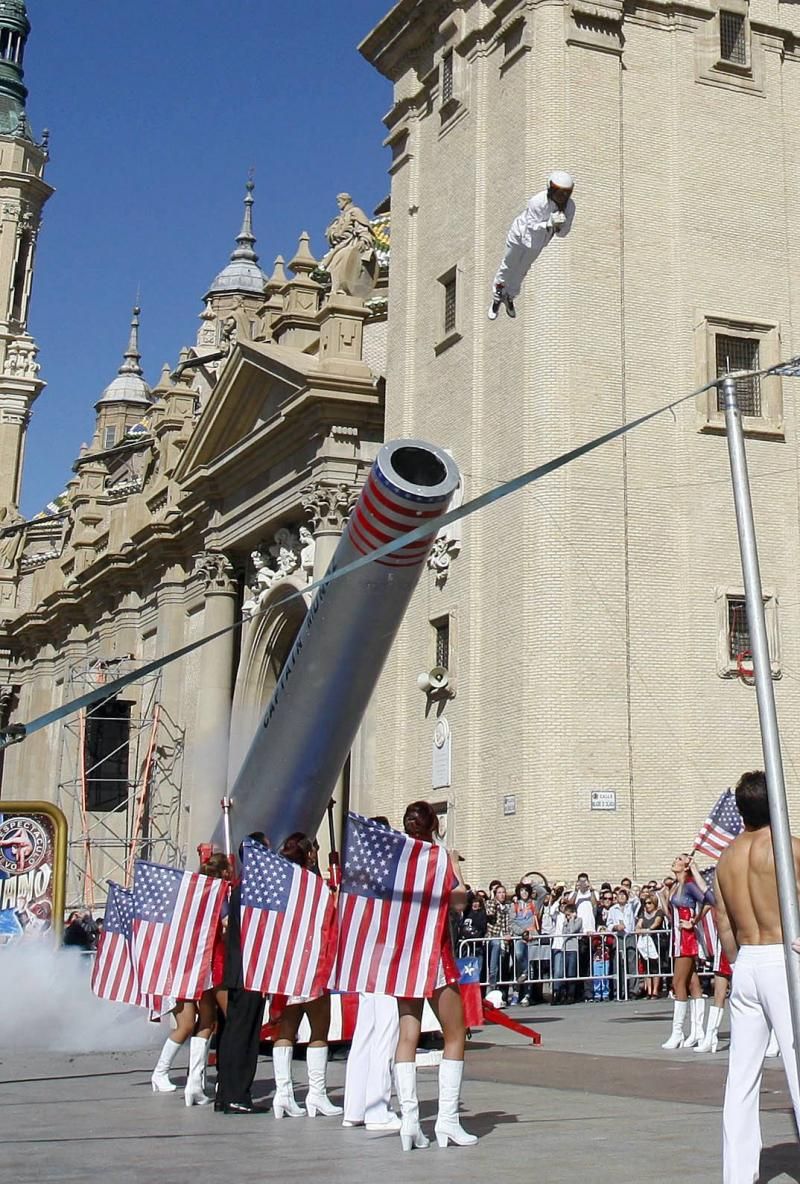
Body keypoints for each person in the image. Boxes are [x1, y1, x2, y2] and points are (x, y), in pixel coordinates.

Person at [716, 770, 800, 1182]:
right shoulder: (788, 848)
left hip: (747, 960)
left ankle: (737, 1175)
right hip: (781, 959)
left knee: (742, 1078)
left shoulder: (726, 857)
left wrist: (739, 964)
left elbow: (724, 923)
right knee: (798, 1066)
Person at [394, 801, 476, 1151]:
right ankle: (447, 1120)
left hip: (402, 956)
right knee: (454, 1035)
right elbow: (459, 900)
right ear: (433, 826)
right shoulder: (436, 857)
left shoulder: (395, 858)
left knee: (407, 1033)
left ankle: (410, 1120)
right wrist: (455, 865)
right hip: (434, 954)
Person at [151, 851, 232, 1105]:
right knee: (205, 1020)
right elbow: (227, 925)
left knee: (189, 1022)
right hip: (203, 965)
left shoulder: (190, 895)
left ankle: (183, 1078)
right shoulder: (218, 896)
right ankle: (184, 1079)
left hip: (182, 965)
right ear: (223, 873)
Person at [271, 832, 342, 1120]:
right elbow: (329, 919)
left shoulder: (278, 885)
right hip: (311, 964)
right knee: (319, 1029)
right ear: (309, 854)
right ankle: (316, 1093)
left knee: (285, 1031)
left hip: (284, 965)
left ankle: (283, 1093)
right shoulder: (316, 887)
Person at [341, 816, 400, 1133]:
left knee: (365, 1035)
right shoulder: (385, 875)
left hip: (363, 961)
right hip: (384, 963)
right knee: (384, 1034)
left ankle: (354, 1107)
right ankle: (377, 1108)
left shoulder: (357, 876)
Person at [215, 833, 269, 1114]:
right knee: (244, 1036)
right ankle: (237, 1094)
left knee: (233, 1032)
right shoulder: (255, 889)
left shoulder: (240, 886)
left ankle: (225, 1093)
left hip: (238, 968)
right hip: (249, 969)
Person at [488, 170, 575, 320]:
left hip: (537, 244)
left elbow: (563, 233)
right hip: (519, 237)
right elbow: (531, 226)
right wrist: (548, 223)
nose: (562, 198)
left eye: (565, 194)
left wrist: (561, 225)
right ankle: (498, 294)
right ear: (550, 189)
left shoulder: (569, 207)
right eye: (559, 193)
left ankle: (510, 296)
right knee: (509, 264)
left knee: (522, 270)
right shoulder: (538, 202)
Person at [661, 855, 710, 1049]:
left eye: (679, 859)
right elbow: (669, 914)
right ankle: (698, 1031)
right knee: (692, 982)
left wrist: (694, 921)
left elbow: (709, 901)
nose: (674, 861)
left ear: (686, 866)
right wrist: (663, 896)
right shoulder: (675, 886)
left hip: (686, 939)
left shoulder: (690, 885)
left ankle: (677, 1032)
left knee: (677, 982)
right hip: (677, 937)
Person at [635, 893, 665, 999]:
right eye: (645, 903)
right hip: (645, 942)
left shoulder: (659, 912)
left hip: (656, 941)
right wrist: (640, 929)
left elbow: (657, 923)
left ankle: (656, 991)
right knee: (647, 967)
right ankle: (649, 990)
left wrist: (648, 930)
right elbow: (638, 925)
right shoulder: (643, 913)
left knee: (655, 967)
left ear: (654, 903)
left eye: (649, 903)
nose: (647, 905)